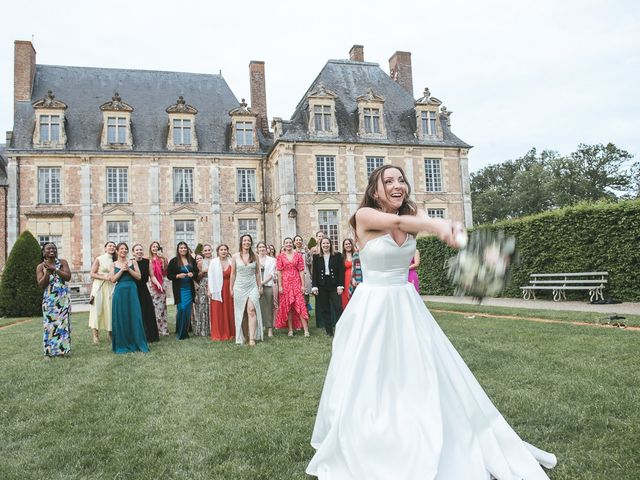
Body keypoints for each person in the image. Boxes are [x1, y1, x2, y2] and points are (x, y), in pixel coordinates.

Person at [306, 165, 557, 479]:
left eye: (401, 180)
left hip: (407, 303)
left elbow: (445, 231)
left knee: (420, 369)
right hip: (373, 306)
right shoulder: (364, 217)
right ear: (375, 189)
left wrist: (474, 250)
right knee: (370, 373)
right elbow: (402, 222)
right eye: (389, 181)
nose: (398, 186)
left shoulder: (414, 213)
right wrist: (436, 225)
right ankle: (372, 433)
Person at [109, 243, 149, 354]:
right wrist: (122, 270)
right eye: (121, 249)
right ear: (117, 251)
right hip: (120, 291)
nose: (124, 250)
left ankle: (137, 341)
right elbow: (112, 279)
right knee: (122, 316)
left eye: (125, 249)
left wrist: (128, 269)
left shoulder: (133, 262)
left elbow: (139, 276)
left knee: (135, 315)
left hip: (132, 290)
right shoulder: (113, 264)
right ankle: (122, 343)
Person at [36, 242, 72, 357]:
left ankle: (62, 351)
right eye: (48, 248)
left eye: (53, 248)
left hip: (62, 298)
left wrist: (55, 269)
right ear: (43, 252)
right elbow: (42, 284)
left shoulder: (62, 263)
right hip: (49, 299)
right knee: (49, 325)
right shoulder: (40, 267)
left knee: (62, 325)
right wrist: (47, 272)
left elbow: (68, 277)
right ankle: (48, 352)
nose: (51, 250)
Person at [230, 234, 263, 346]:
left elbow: (257, 273)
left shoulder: (255, 256)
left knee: (251, 309)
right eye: (244, 241)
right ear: (241, 242)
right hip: (239, 287)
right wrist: (231, 288)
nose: (246, 242)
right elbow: (233, 273)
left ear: (251, 243)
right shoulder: (235, 256)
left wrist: (260, 287)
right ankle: (244, 335)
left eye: (248, 241)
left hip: (252, 286)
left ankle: (252, 338)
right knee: (242, 312)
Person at [275, 237, 310, 337]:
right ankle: (290, 329)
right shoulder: (280, 256)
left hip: (296, 283)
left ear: (292, 244)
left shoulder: (298, 255)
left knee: (300, 305)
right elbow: (279, 271)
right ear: (284, 244)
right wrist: (280, 286)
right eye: (287, 243)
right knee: (288, 307)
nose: (289, 244)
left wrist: (303, 285)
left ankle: (306, 330)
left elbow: (301, 270)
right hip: (285, 283)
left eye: (290, 242)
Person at [311, 238, 344, 337]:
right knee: (325, 309)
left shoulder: (337, 255)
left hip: (334, 285)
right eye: (323, 243)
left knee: (338, 307)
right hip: (322, 285)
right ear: (320, 245)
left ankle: (341, 329)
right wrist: (314, 286)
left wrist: (340, 286)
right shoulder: (316, 257)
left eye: (327, 243)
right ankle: (329, 331)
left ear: (330, 244)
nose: (325, 245)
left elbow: (341, 271)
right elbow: (315, 273)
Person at [167, 242, 199, 340]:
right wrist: (177, 276)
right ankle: (180, 332)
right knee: (181, 309)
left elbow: (196, 272)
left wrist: (192, 274)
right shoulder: (173, 261)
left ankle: (184, 331)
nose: (183, 249)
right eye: (181, 248)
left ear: (187, 249)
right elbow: (169, 275)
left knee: (187, 310)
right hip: (179, 289)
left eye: (184, 248)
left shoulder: (191, 260)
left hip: (189, 289)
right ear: (178, 249)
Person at [88, 241, 116, 344]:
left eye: (114, 246)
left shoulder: (115, 260)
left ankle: (110, 334)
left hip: (110, 287)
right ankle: (95, 335)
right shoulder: (99, 259)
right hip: (99, 286)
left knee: (110, 309)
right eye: (110, 246)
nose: (112, 248)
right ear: (105, 248)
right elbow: (92, 273)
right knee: (97, 309)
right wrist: (104, 277)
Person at [131, 244, 159, 343]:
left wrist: (157, 283)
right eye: (137, 250)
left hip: (143, 289)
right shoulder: (130, 262)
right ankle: (136, 336)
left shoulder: (148, 262)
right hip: (133, 290)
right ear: (133, 252)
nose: (139, 251)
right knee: (135, 312)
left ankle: (150, 336)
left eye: (140, 249)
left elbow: (152, 276)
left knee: (148, 311)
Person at [208, 244, 235, 341]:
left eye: (225, 249)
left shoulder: (232, 262)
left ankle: (231, 332)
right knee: (218, 310)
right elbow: (210, 276)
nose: (223, 251)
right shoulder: (213, 262)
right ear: (218, 251)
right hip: (216, 289)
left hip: (229, 288)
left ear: (228, 251)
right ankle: (218, 333)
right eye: (221, 250)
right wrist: (209, 290)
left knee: (229, 310)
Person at [148, 241, 169, 336]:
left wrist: (163, 261)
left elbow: (165, 272)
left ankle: (163, 329)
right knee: (154, 307)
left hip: (162, 283)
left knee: (162, 307)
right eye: (153, 247)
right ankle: (155, 328)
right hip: (152, 285)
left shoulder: (163, 259)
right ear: (151, 248)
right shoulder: (148, 259)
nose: (155, 248)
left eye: (156, 247)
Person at [257, 241, 276, 338]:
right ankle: (259, 327)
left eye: (263, 247)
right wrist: (258, 285)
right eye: (260, 247)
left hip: (268, 285)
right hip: (256, 286)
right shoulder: (254, 259)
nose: (262, 249)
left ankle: (269, 329)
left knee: (269, 307)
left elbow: (271, 274)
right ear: (257, 249)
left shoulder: (272, 260)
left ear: (266, 249)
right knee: (258, 307)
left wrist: (262, 283)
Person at [194, 245, 212, 337]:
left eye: (209, 250)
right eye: (206, 250)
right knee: (203, 306)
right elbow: (197, 277)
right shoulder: (200, 262)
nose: (208, 252)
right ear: (203, 252)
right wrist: (203, 272)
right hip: (204, 284)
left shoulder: (215, 261)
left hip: (214, 284)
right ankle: (204, 329)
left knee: (212, 306)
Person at [294, 235, 313, 312]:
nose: (298, 241)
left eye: (300, 240)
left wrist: (308, 252)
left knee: (305, 297)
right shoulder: (292, 252)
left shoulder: (305, 252)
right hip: (295, 277)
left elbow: (310, 262)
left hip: (305, 276)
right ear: (294, 242)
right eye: (296, 240)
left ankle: (306, 313)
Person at [341, 238, 355, 309]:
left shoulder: (356, 254)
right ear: (343, 246)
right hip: (346, 280)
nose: (348, 245)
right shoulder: (341, 257)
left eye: (349, 244)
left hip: (356, 278)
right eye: (346, 244)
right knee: (346, 297)